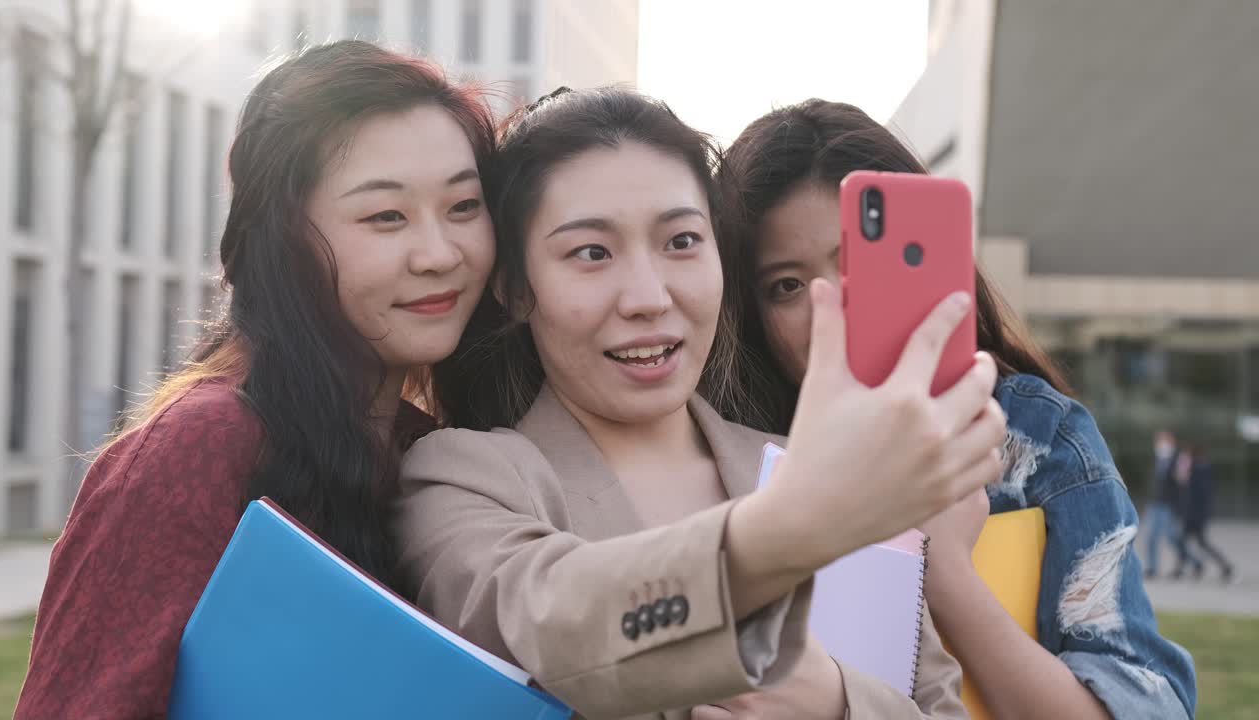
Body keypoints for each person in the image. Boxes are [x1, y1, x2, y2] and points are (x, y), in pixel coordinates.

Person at [397, 87, 1002, 719]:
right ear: (518, 290)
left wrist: (836, 704)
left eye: (681, 241)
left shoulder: (813, 468)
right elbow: (554, 617)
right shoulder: (465, 479)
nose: (648, 296)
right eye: (592, 253)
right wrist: (789, 531)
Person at [15, 41, 497, 718]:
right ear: (284, 239)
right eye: (385, 215)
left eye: (464, 207)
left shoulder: (435, 451)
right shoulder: (202, 446)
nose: (441, 253)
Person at [717, 98, 1196, 720]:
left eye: (860, 264)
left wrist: (945, 575)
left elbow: (1149, 708)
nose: (832, 309)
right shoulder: (718, 445)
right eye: (787, 286)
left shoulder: (1034, 435)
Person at [1172, 444, 1235, 582]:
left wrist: (1184, 474)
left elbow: (1196, 493)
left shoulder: (1200, 470)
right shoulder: (1200, 469)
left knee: (1191, 542)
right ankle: (1219, 566)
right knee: (1192, 542)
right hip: (1195, 514)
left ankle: (1219, 566)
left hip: (1195, 515)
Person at [1143, 429, 1197, 578]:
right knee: (1151, 537)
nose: (1160, 444)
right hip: (1154, 504)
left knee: (1172, 537)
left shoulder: (1179, 458)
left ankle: (1195, 562)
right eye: (1158, 440)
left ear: (1171, 441)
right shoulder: (1157, 458)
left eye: (1163, 440)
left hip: (1168, 505)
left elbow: (1183, 482)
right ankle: (1152, 569)